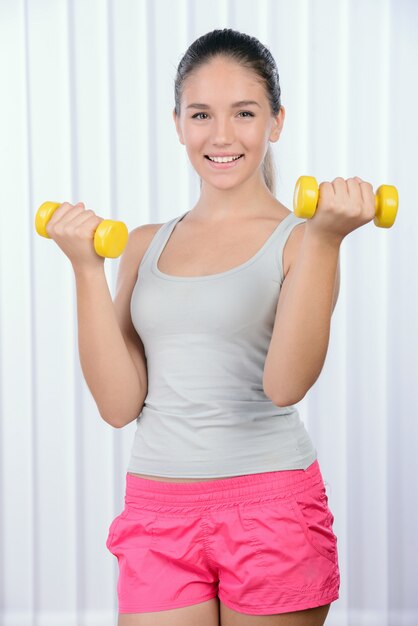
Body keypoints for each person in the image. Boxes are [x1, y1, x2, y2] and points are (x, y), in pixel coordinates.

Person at [46, 27, 376, 626]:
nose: (221, 135)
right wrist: (85, 268)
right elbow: (120, 406)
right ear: (177, 124)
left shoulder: (301, 241)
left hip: (270, 505)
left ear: (276, 121)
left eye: (244, 113)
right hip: (157, 510)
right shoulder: (143, 245)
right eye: (201, 114)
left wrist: (327, 237)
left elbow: (286, 385)